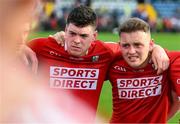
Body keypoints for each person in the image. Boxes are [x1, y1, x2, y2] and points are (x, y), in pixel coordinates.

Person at [23, 5, 170, 122]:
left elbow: (135, 48)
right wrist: (19, 47)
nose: (76, 40)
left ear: (94, 36)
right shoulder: (42, 47)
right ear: (65, 30)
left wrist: (156, 48)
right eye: (72, 33)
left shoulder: (106, 52)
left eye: (83, 36)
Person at [108, 17, 180, 123]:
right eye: (126, 45)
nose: (132, 51)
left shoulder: (166, 61)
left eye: (138, 45)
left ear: (151, 44)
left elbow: (176, 102)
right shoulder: (112, 62)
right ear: (119, 45)